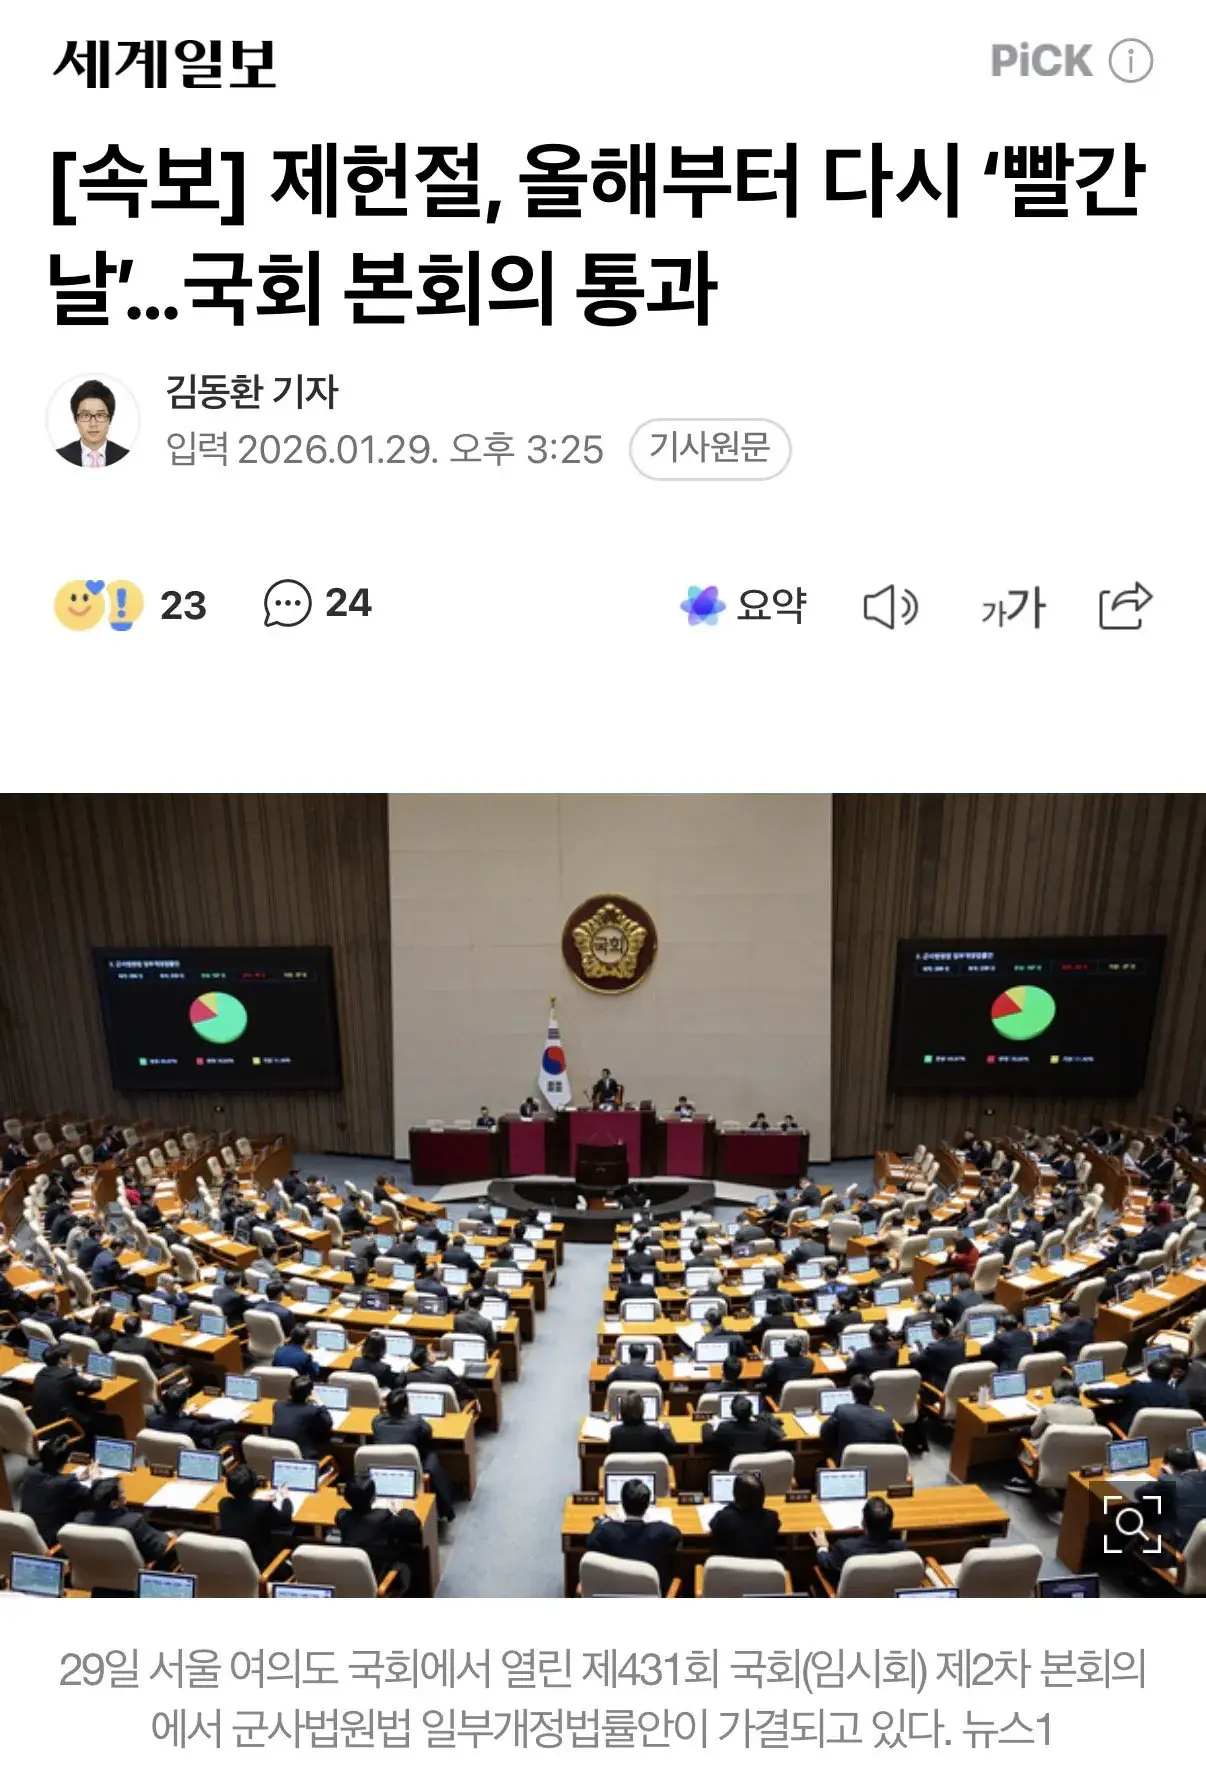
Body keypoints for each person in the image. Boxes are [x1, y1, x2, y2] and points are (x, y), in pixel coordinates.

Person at [371, 1384, 457, 1521]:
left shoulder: (376, 1421)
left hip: (383, 1468)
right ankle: (446, 1505)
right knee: (431, 1456)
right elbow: (428, 1434)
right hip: (411, 1470)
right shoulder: (416, 1421)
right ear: (406, 1408)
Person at [586, 1477, 681, 1592]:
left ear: (622, 1504)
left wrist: (605, 1522)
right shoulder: (661, 1531)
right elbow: (676, 1536)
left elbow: (590, 1541)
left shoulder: (605, 1531)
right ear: (647, 1505)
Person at [335, 1474, 420, 1586]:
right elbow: (414, 1523)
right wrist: (400, 1510)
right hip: (380, 1573)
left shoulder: (341, 1517)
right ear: (373, 1497)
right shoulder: (383, 1518)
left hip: (353, 1574)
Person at [217, 1461, 295, 1568]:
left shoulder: (223, 1504)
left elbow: (244, 1506)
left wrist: (259, 1501)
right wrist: (286, 1498)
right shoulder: (262, 1508)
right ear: (254, 1486)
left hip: (232, 1560)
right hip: (261, 1562)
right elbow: (285, 1518)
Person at [18, 1432, 93, 1544]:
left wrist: (76, 1477)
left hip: (28, 1532)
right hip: (50, 1538)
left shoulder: (30, 1472)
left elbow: (50, 1481)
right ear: (68, 1459)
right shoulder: (66, 1483)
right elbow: (93, 1496)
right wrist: (95, 1478)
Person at [1084, 1355, 1193, 1430]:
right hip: (1161, 1435)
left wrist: (1088, 1391)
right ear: (1170, 1375)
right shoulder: (1181, 1396)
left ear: (1149, 1374)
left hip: (1128, 1431)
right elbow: (1186, 1419)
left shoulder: (1137, 1387)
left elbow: (1111, 1393)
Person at [815, 1494, 908, 1583]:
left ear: (863, 1524)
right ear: (891, 1526)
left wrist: (822, 1547)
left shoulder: (845, 1549)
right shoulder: (902, 1550)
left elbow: (826, 1564)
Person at [79, 1476, 173, 1562]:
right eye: (122, 1492)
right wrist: (169, 1535)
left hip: (94, 1569)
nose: (124, 1492)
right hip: (132, 1570)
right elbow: (157, 1550)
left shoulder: (81, 1520)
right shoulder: (132, 1523)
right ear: (114, 1504)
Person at [1132, 1445, 1206, 1549]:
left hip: (1178, 1548)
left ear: (1168, 1466)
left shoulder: (1168, 1484)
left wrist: (1165, 1476)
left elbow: (1139, 1493)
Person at [30, 1343, 103, 1437]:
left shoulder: (41, 1373)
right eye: (69, 1357)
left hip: (38, 1422)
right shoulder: (67, 1374)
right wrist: (98, 1379)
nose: (71, 1360)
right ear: (62, 1360)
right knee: (92, 1421)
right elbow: (93, 1387)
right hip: (58, 1425)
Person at [708, 1469, 783, 1558]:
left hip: (731, 1566)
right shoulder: (772, 1518)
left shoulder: (723, 1518)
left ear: (735, 1495)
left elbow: (712, 1525)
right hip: (762, 1565)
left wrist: (732, 1506)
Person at [819, 1375, 897, 1454]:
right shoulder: (886, 1419)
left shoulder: (842, 1411)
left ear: (851, 1393)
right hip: (876, 1461)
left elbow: (824, 1433)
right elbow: (896, 1448)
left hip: (847, 1461)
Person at [706, 1392, 786, 1467]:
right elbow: (780, 1434)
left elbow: (707, 1438)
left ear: (732, 1413)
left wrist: (708, 1424)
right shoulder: (763, 1426)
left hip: (734, 1469)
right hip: (760, 1469)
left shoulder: (725, 1428)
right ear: (751, 1412)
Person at [147, 1382, 228, 1450]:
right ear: (183, 1405)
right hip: (195, 1450)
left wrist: (186, 1412)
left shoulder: (151, 1421)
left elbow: (171, 1418)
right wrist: (231, 1421)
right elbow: (209, 1429)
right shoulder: (190, 1425)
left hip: (165, 1453)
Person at [270, 1376, 334, 1460]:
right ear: (309, 1394)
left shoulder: (277, 1405)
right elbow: (328, 1423)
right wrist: (320, 1403)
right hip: (304, 1458)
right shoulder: (313, 1411)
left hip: (278, 1456)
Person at [607, 1389, 680, 1456]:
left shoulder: (615, 1433)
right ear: (642, 1409)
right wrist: (666, 1430)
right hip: (651, 1466)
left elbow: (610, 1454)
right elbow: (672, 1447)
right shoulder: (654, 1432)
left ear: (621, 1411)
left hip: (624, 1467)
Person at [908, 1315, 966, 1389]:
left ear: (935, 1332)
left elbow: (916, 1361)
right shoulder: (961, 1344)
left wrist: (913, 1351)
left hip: (942, 1387)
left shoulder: (933, 1348)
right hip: (959, 1385)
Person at [762, 1334, 815, 1404]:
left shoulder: (778, 1363)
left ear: (785, 1348)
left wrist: (767, 1366)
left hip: (781, 1399)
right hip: (803, 1398)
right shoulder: (809, 1362)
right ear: (801, 1348)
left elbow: (765, 1375)